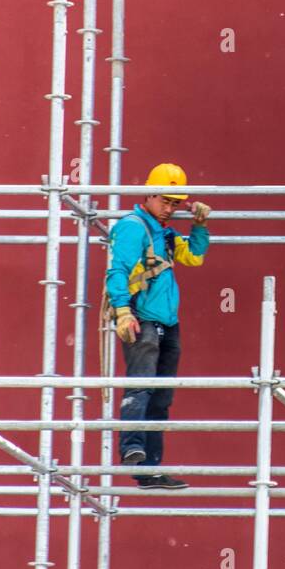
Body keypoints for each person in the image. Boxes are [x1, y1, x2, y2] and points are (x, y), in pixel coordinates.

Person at [105, 162, 210, 489]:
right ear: (148, 195)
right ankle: (132, 448)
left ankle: (149, 468)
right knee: (141, 386)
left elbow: (194, 256)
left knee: (161, 396)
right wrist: (123, 311)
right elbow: (117, 271)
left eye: (175, 203)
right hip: (142, 318)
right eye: (165, 200)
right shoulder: (133, 226)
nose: (170, 208)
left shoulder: (164, 232)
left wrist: (199, 225)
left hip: (167, 322)